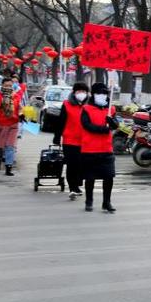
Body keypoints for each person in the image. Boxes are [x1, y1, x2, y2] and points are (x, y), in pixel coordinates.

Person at [80, 82, 118, 213]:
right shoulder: (86, 109)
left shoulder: (110, 109)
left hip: (106, 148)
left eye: (104, 93)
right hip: (90, 149)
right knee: (90, 177)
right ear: (93, 94)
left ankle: (106, 202)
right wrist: (103, 129)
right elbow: (87, 126)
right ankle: (89, 200)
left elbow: (115, 125)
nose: (102, 96)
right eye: (99, 93)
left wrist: (111, 122)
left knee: (109, 176)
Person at [53, 82, 90, 199]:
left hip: (85, 140)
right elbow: (61, 121)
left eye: (84, 91)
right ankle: (72, 187)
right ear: (74, 92)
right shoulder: (67, 104)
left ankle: (77, 185)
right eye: (79, 91)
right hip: (69, 140)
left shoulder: (89, 106)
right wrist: (57, 136)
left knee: (81, 165)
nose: (82, 94)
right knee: (71, 164)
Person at [0, 77, 25, 176]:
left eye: (10, 85)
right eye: (6, 86)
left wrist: (21, 114)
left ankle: (9, 167)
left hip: (12, 126)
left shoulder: (16, 96)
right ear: (2, 86)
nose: (8, 87)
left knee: (10, 146)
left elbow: (20, 108)